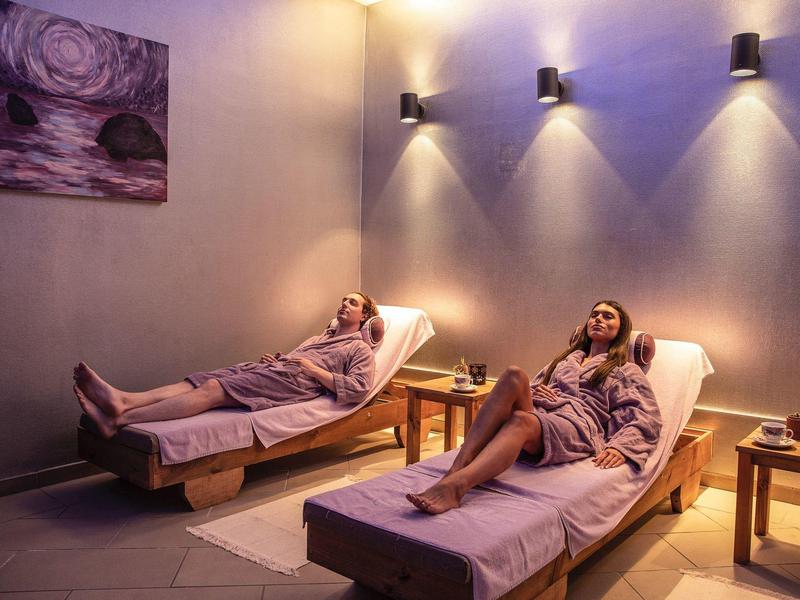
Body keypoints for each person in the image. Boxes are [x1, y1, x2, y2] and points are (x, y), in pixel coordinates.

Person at [406, 300, 661, 514]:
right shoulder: (565, 361)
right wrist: (536, 392)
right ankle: (457, 467)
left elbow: (645, 416)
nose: (598, 319)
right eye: (594, 315)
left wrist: (622, 446)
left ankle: (457, 486)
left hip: (579, 426)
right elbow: (536, 387)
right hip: (547, 413)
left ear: (621, 329)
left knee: (521, 420)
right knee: (514, 374)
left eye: (608, 317)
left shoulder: (625, 369)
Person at [75, 292, 379, 439]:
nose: (344, 304)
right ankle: (124, 400)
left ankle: (118, 421)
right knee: (199, 380)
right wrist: (279, 360)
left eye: (352, 303)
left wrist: (315, 371)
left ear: (364, 316)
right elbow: (297, 360)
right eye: (343, 300)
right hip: (278, 372)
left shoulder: (358, 348)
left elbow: (358, 389)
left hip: (296, 384)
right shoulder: (317, 338)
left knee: (214, 390)